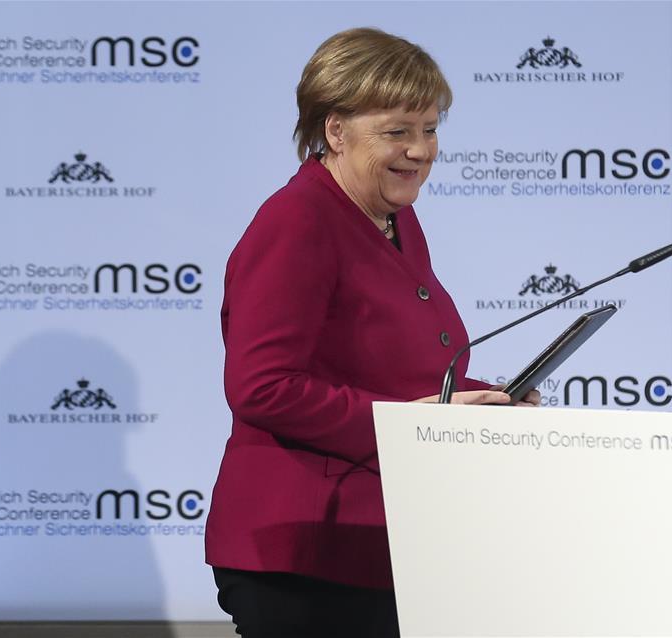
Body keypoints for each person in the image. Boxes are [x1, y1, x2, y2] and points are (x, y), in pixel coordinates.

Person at [205, 27, 539, 638]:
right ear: (336, 131)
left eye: (430, 129)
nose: (421, 150)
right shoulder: (297, 221)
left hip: (380, 542)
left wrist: (486, 400)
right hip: (305, 553)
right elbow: (262, 387)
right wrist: (410, 425)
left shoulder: (394, 218)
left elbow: (390, 370)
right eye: (397, 132)